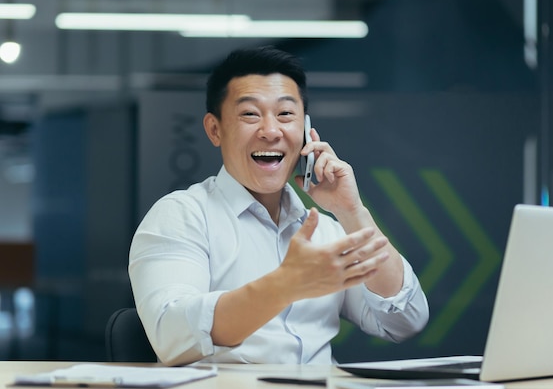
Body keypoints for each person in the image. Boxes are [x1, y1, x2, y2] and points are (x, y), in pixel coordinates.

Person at [128, 46, 429, 366]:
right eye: (249, 114)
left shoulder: (325, 229)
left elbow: (404, 321)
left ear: (305, 128)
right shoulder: (182, 216)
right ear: (215, 129)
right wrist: (284, 286)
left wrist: (351, 212)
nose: (271, 131)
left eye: (286, 114)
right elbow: (172, 334)